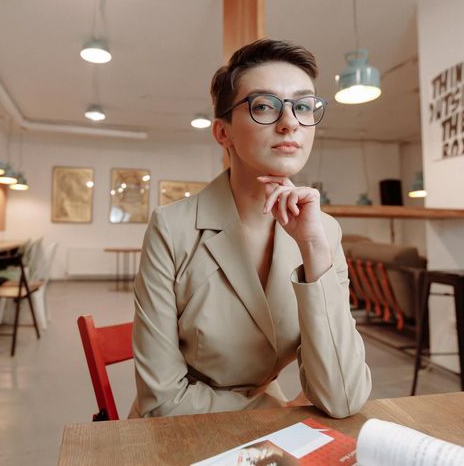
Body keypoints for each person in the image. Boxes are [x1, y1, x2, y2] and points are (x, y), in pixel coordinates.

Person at [130, 39, 371, 419]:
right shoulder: (171, 227)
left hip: (264, 436)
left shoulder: (324, 231)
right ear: (223, 134)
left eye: (304, 106)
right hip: (180, 436)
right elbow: (161, 402)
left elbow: (342, 399)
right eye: (263, 106)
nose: (290, 122)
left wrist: (313, 248)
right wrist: (270, 407)